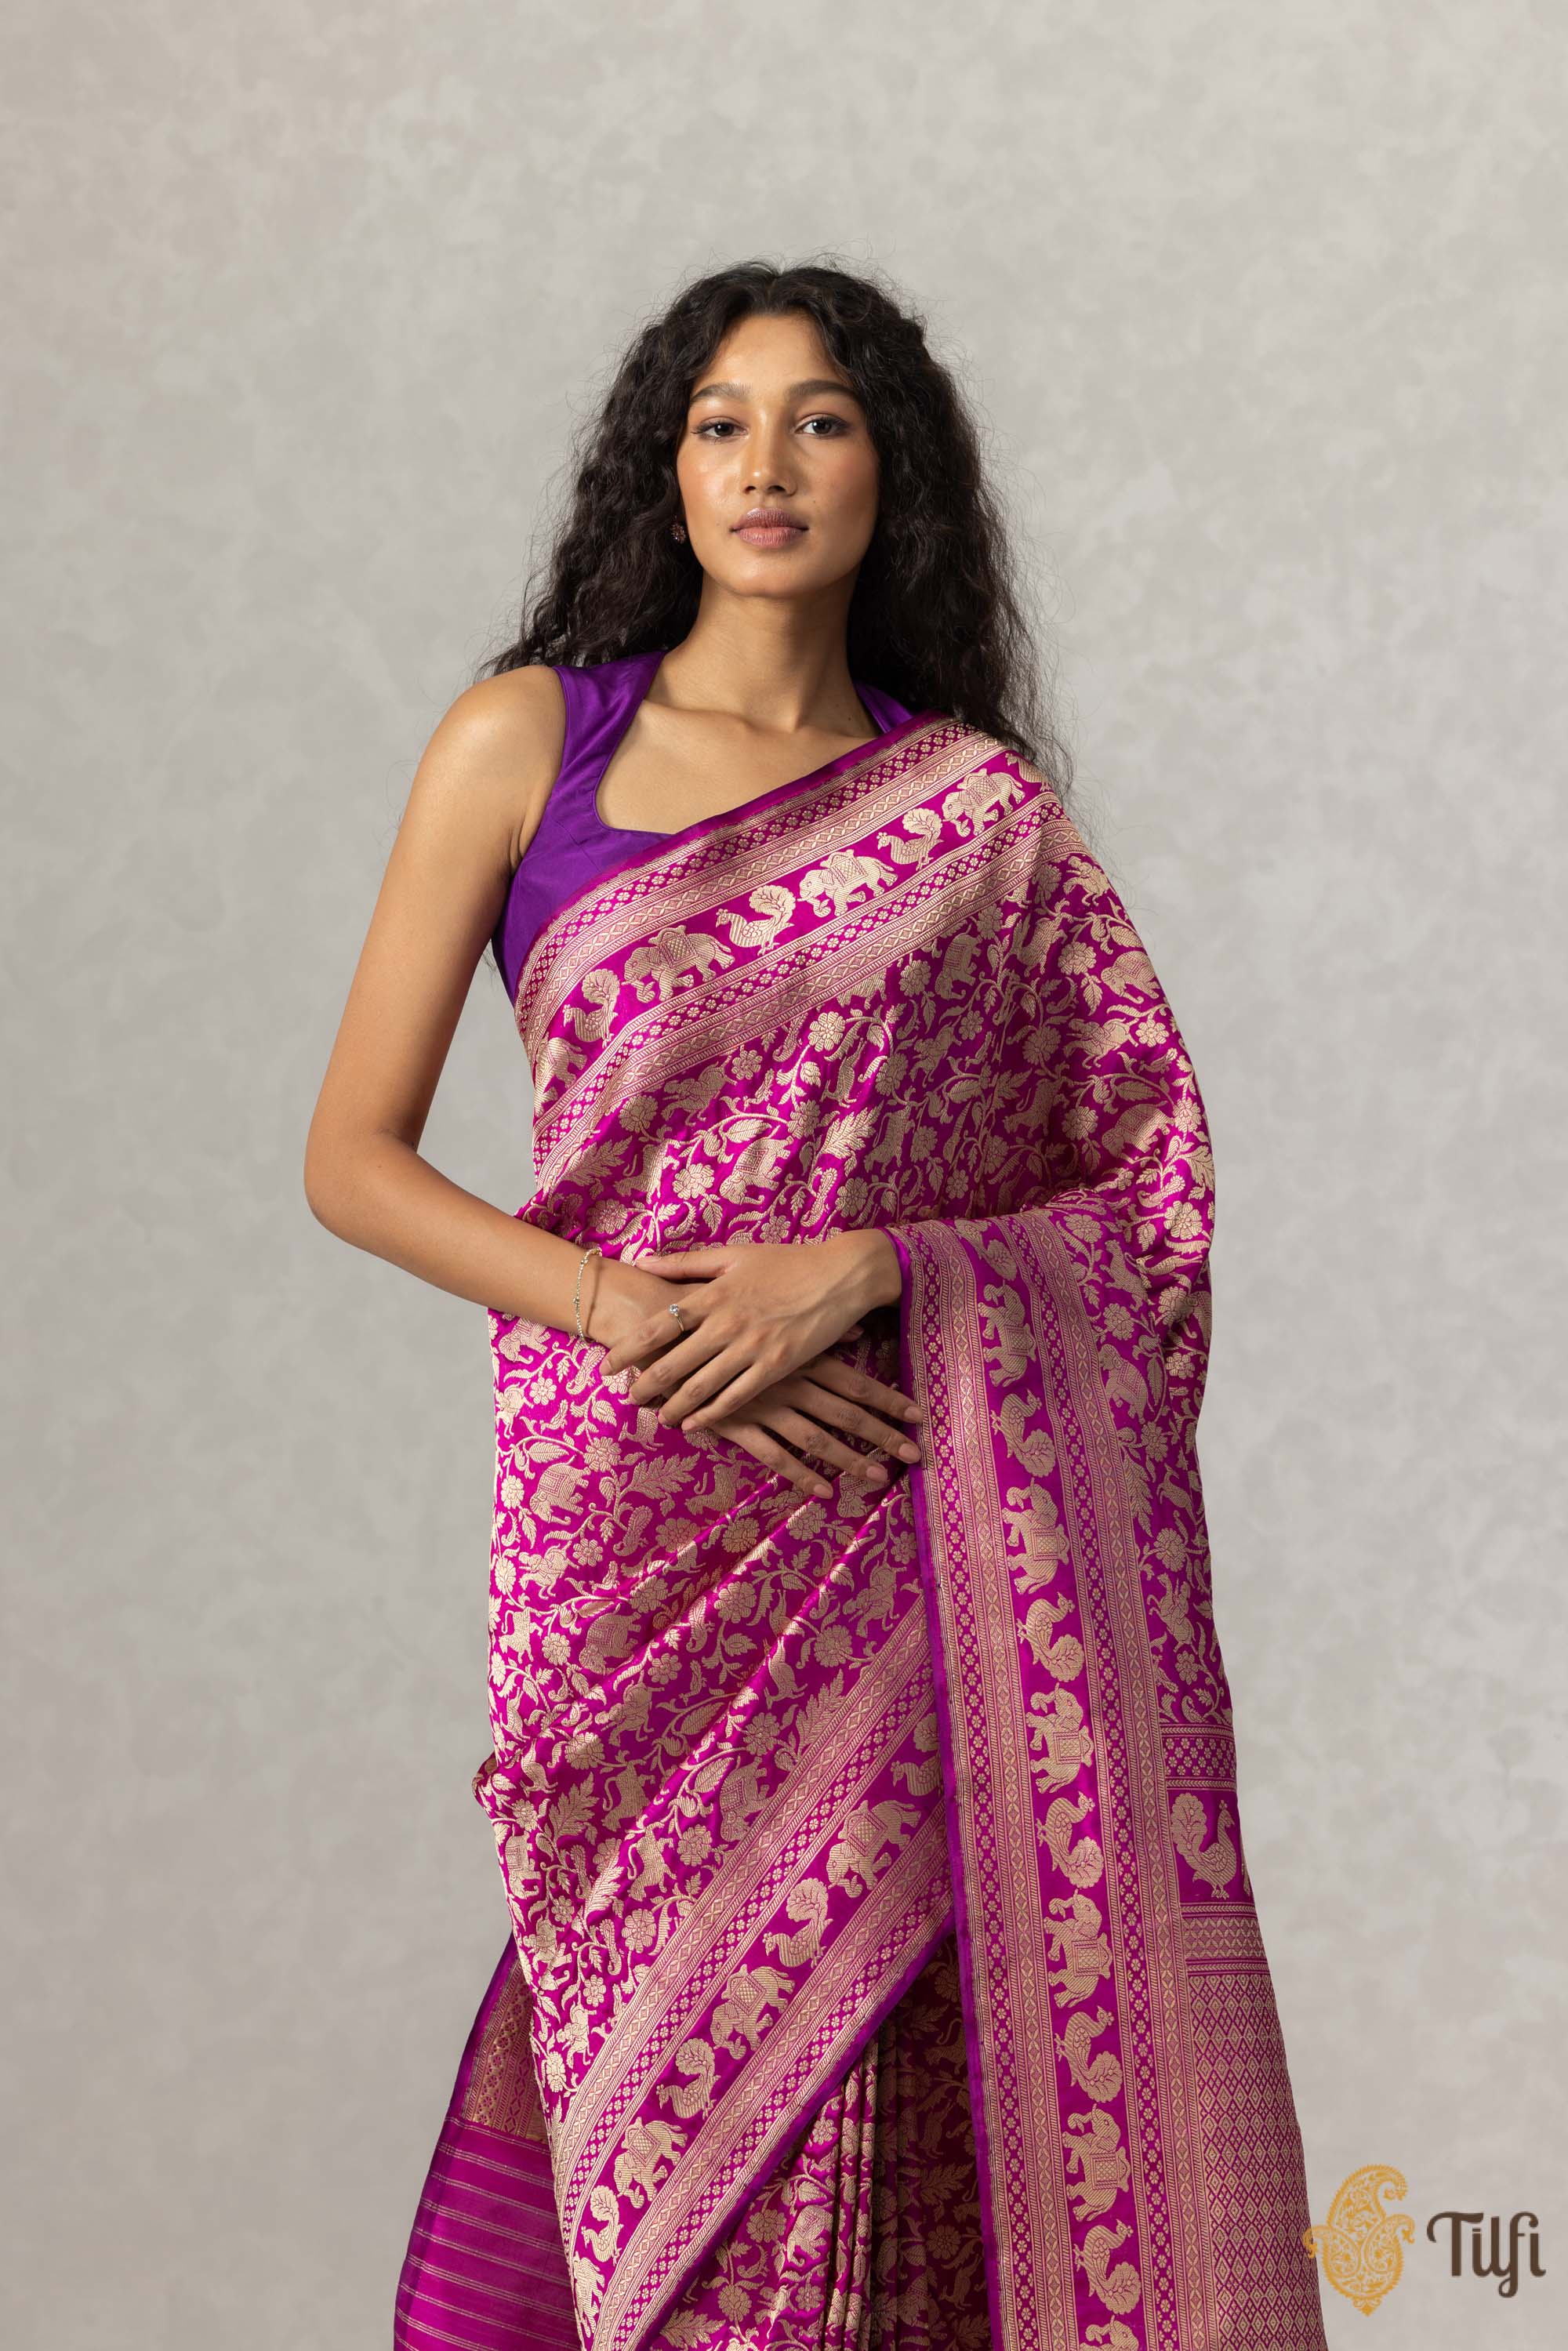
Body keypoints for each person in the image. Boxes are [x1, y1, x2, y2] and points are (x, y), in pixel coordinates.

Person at [304, 258, 1329, 2351]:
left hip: (892, 1507)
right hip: (629, 1512)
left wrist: (870, 1275)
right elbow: (355, 1159)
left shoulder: (980, 825)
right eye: (722, 423)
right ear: (667, 473)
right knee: (650, 2057)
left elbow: (1141, 1191)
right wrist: (631, 1315)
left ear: (893, 476)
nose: (766, 464)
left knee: (882, 2055)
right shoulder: (527, 741)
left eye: (821, 420)